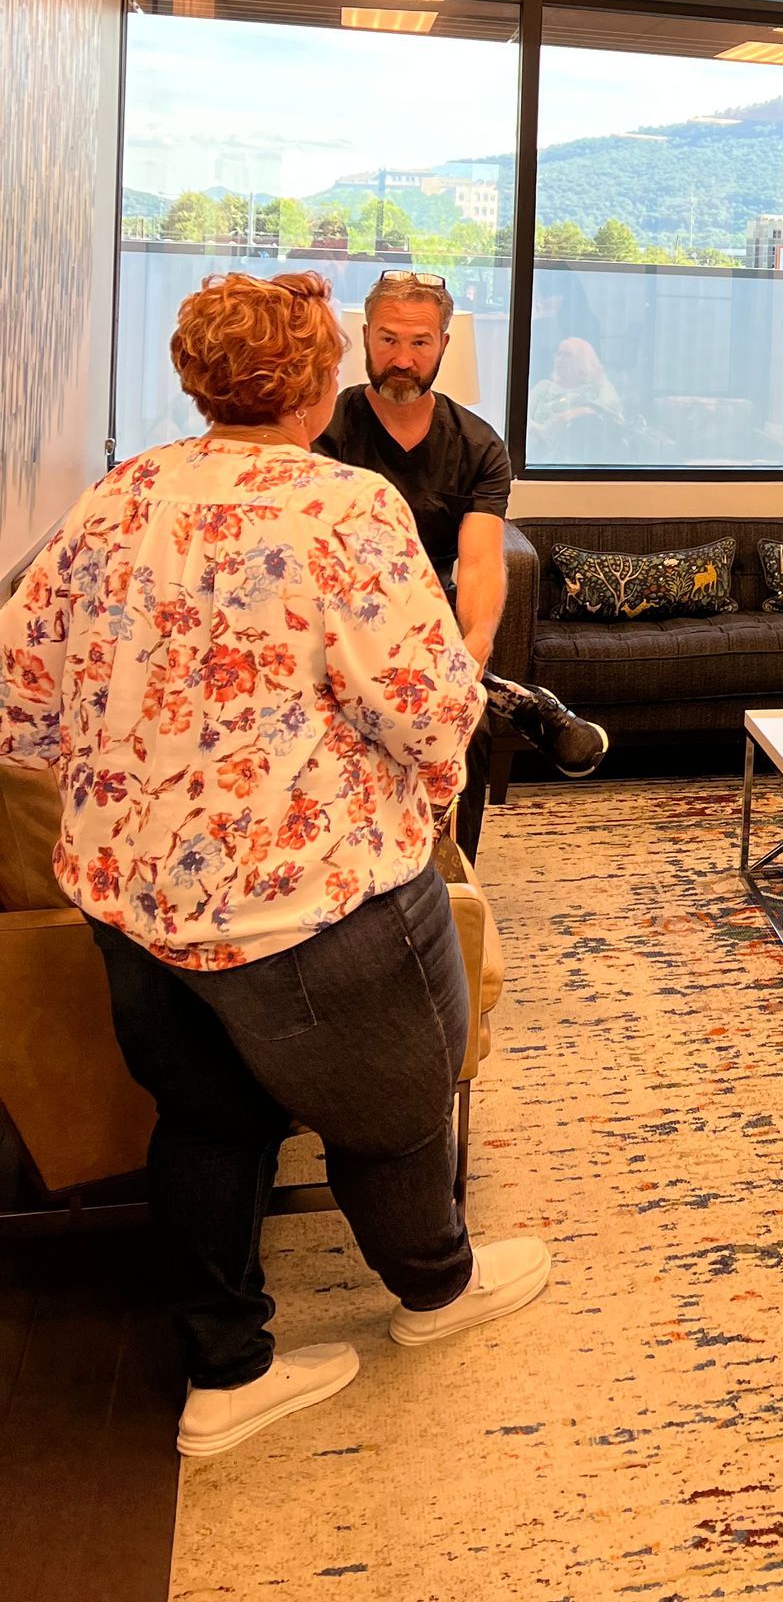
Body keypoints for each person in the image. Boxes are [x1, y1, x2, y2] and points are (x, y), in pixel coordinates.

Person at [0, 272, 551, 1458]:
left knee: (202, 1121)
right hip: (308, 901)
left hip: (130, 902)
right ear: (317, 382)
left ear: (198, 378)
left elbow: (21, 701)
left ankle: (226, 1369)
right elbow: (426, 707)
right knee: (395, 1113)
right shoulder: (344, 508)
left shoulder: (115, 497)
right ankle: (434, 1292)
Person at [316, 271, 511, 858]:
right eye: (388, 340)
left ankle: (450, 875)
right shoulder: (325, 431)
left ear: (444, 346)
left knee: (470, 727)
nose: (402, 359)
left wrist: (471, 652)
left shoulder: (478, 447)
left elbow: (479, 563)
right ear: (365, 338)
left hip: (428, 631)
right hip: (335, 626)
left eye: (420, 343)